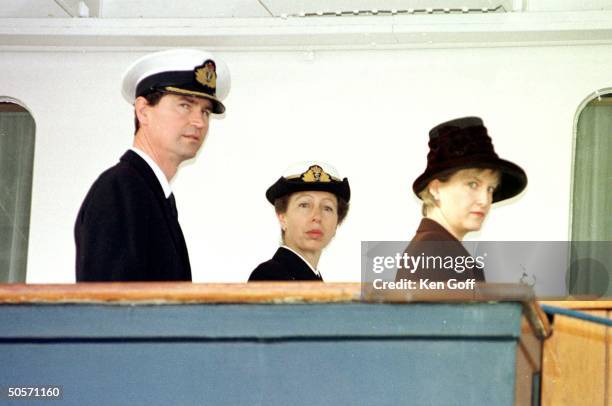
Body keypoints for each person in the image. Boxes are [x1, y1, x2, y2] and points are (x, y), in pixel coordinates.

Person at [75, 49, 230, 281]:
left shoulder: (151, 193)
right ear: (143, 111)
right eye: (185, 106)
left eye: (205, 111)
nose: (199, 121)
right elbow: (108, 308)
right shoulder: (119, 190)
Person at [395, 116, 527, 283]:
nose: (485, 200)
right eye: (472, 184)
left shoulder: (443, 249)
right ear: (436, 189)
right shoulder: (434, 251)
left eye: (490, 189)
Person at [249, 162, 350, 281]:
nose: (317, 217)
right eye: (304, 205)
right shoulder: (268, 276)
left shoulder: (313, 279)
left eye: (327, 208)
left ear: (337, 223)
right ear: (282, 217)